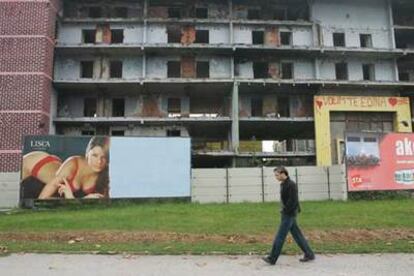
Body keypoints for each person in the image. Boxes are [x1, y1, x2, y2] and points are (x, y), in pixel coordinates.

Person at [262, 166, 315, 265]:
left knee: (280, 236)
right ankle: (309, 254)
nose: (276, 177)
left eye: (277, 175)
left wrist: (285, 211)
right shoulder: (283, 184)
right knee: (297, 235)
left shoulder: (291, 185)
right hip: (287, 213)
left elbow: (293, 201)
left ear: (283, 174)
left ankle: (272, 258)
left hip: (289, 214)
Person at [38, 136, 110, 199]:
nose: (99, 161)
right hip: (36, 165)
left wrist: (72, 199)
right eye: (95, 155)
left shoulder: (106, 175)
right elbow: (42, 198)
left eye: (104, 157)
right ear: (87, 154)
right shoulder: (72, 164)